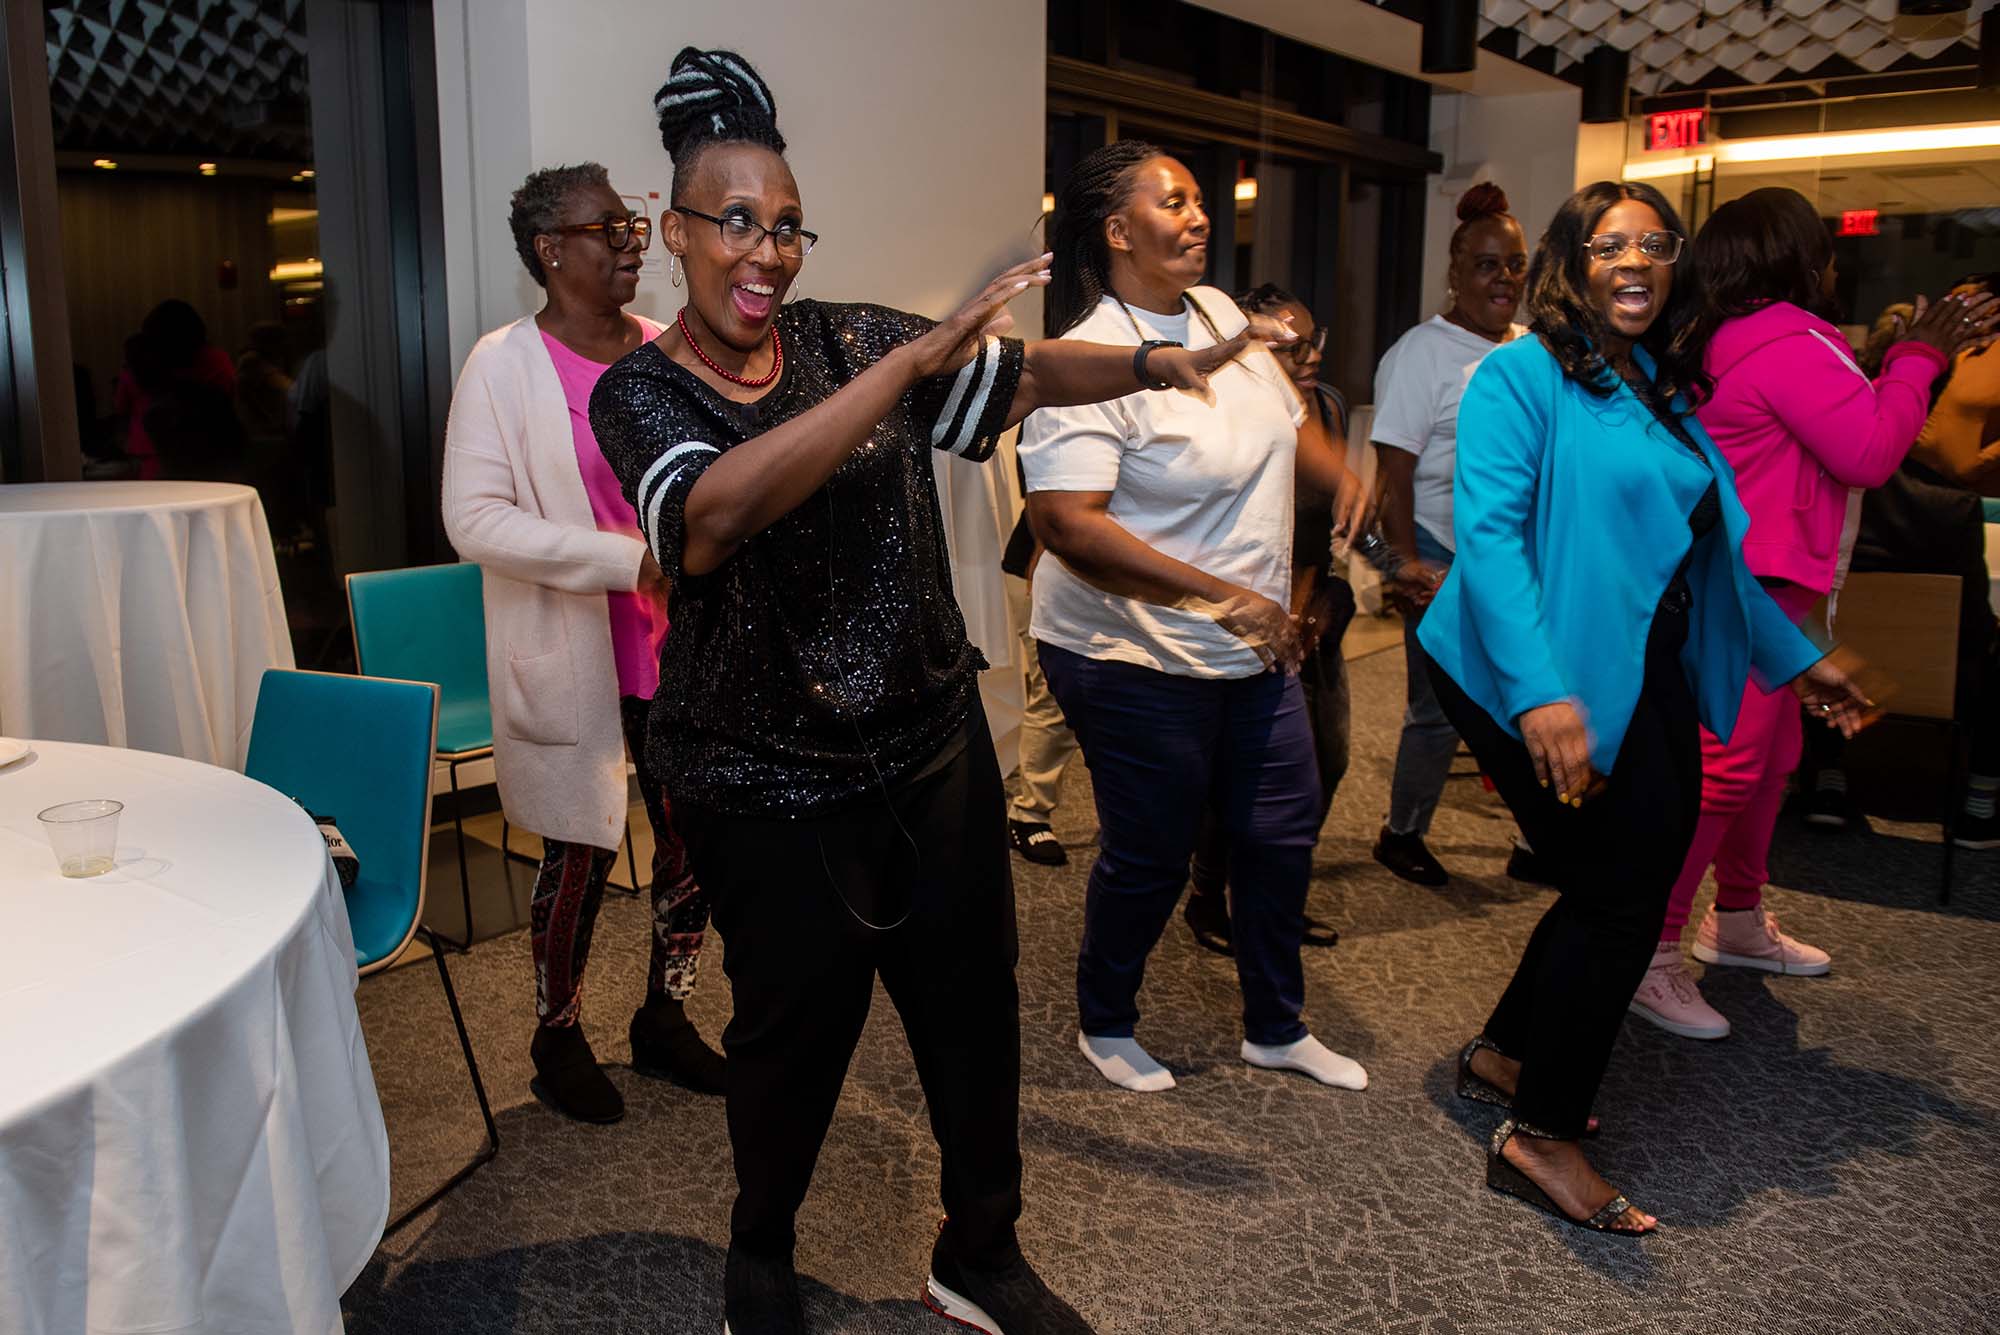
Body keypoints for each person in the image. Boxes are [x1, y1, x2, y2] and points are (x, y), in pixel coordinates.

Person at [592, 49, 1261, 1335]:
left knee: (971, 1009)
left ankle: (980, 1251)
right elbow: (709, 520)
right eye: (735, 220)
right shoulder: (645, 389)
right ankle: (760, 1257)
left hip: (926, 746)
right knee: (790, 1037)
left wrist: (1148, 369)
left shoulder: (848, 330)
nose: (767, 250)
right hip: (762, 778)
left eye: (787, 225)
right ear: (675, 231)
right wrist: (895, 375)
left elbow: (1018, 374)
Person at [1419, 180, 1868, 1233]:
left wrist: (1798, 660)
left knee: (1622, 874)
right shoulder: (1517, 376)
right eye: (1607, 243)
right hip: (1516, 663)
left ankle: (1504, 1052)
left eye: (1653, 244)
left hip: (1638, 657)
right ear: (1571, 263)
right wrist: (1542, 697)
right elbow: (1484, 543)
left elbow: (1710, 553)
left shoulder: (1653, 385)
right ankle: (1540, 1129)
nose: (1634, 260)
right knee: (1620, 890)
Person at [1021, 140, 1370, 1099]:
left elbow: (1285, 410)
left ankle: (1275, 1024)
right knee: (1153, 848)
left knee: (1280, 828)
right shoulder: (1091, 360)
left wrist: (1337, 473)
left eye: (1202, 200)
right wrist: (1226, 598)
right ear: (1119, 230)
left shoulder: (1218, 313)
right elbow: (1066, 527)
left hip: (1250, 645)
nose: (1200, 215)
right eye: (1174, 201)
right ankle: (1107, 1018)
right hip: (1128, 650)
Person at [1629, 189, 1998, 1040]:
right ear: (1797, 257)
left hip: (1759, 580)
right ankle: (1651, 952)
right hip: (1751, 587)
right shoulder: (1784, 342)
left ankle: (1741, 918)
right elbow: (1869, 453)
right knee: (1729, 767)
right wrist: (1916, 360)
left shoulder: (1729, 337)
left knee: (1771, 758)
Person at [441, 163, 725, 1127]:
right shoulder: (503, 364)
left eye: (633, 221)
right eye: (604, 226)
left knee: (692, 845)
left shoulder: (669, 349)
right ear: (550, 249)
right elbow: (473, 520)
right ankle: (556, 1033)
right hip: (575, 650)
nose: (629, 239)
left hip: (680, 648)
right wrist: (620, 559)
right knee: (580, 853)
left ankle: (665, 1017)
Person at [1367, 183, 1532, 888]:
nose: (1503, 279)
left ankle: (1537, 840)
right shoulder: (1422, 354)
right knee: (1435, 710)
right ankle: (1401, 834)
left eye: (1515, 264)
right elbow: (1392, 475)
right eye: (1488, 264)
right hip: (1436, 547)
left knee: (1527, 698)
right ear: (1456, 274)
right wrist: (1404, 566)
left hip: (1513, 556)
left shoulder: (1531, 350)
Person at [1181, 282, 1353, 956]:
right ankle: (1206, 894)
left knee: (1325, 766)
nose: (1307, 354)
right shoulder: (1225, 409)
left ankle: (1276, 900)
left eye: (1314, 342)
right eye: (1292, 341)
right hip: (1244, 620)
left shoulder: (1328, 408)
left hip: (1317, 614)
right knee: (1238, 781)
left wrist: (1331, 593)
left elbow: (1336, 526)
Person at [1804, 282, 2000, 843]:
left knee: (1817, 626)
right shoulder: (1955, 508)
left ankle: (1829, 779)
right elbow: (1975, 630)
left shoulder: (1837, 489)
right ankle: (1980, 806)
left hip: (1839, 667)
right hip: (1944, 681)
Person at [1002, 480, 1081, 867]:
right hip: (1042, 566)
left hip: (1109, 572)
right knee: (1053, 694)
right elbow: (1041, 480)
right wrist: (1042, 549)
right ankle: (1027, 813)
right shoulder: (1058, 416)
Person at [113, 299, 243, 481]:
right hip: (211, 450)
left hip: (152, 449)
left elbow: (121, 407)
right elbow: (227, 395)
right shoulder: (214, 361)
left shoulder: (143, 366)